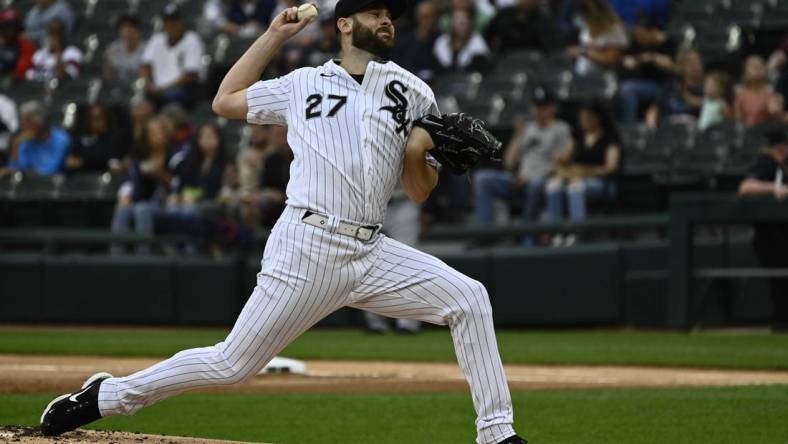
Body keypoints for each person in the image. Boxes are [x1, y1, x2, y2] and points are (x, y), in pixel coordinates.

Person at [39, 2, 526, 444]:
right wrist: (274, 37)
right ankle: (108, 397)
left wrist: (420, 150)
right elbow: (225, 101)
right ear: (344, 24)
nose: (386, 20)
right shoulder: (302, 83)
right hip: (307, 246)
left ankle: (496, 434)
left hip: (372, 251)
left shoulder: (415, 91)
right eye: (374, 12)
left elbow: (419, 191)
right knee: (232, 364)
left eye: (390, 14)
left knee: (469, 298)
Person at [474, 86, 571, 228]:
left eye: (543, 106)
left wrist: (531, 177)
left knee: (535, 184)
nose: (538, 110)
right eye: (536, 106)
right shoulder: (527, 128)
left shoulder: (561, 128)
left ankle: (526, 234)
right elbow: (509, 163)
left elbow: (561, 164)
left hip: (544, 181)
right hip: (520, 180)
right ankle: (484, 233)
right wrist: (517, 135)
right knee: (482, 179)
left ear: (552, 107)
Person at [545, 101, 621, 246]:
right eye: (581, 118)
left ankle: (577, 234)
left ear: (597, 118)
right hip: (579, 178)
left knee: (576, 187)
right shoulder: (579, 136)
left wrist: (585, 172)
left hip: (602, 182)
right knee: (553, 186)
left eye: (586, 118)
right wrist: (559, 160)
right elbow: (566, 157)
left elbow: (611, 167)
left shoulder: (610, 137)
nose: (583, 121)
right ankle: (557, 233)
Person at [738, 128, 788, 332]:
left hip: (780, 235)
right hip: (770, 237)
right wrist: (773, 189)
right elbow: (745, 187)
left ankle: (781, 324)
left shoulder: (782, 166)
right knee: (780, 283)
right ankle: (780, 325)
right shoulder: (766, 162)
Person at [110, 116, 175, 253]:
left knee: (142, 209)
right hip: (142, 200)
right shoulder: (141, 156)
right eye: (152, 133)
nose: (157, 136)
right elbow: (129, 179)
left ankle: (143, 256)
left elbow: (179, 182)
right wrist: (125, 195)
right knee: (122, 209)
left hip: (167, 203)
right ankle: (116, 255)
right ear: (146, 137)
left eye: (159, 131)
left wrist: (160, 174)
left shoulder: (174, 154)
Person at [140, 3, 205, 109]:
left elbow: (191, 75)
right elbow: (146, 66)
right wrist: (148, 84)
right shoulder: (157, 40)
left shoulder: (192, 40)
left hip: (182, 88)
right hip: (157, 87)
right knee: (141, 100)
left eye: (174, 21)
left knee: (172, 96)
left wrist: (162, 89)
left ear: (181, 21)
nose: (171, 25)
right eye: (167, 21)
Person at [616, 15, 675, 123]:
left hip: (663, 87)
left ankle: (629, 126)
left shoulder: (669, 43)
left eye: (642, 35)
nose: (639, 38)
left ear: (652, 31)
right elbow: (628, 58)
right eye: (637, 35)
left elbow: (672, 67)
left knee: (627, 89)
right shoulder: (638, 43)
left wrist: (650, 57)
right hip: (643, 83)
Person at [5, 100, 70, 176]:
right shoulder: (25, 141)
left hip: (51, 185)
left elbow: (50, 170)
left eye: (27, 122)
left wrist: (27, 173)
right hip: (29, 185)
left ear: (39, 122)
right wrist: (16, 146)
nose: (23, 126)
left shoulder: (61, 140)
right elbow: (15, 170)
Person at [567, 0, 627, 76]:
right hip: (582, 75)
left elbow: (612, 58)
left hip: (603, 79)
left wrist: (583, 52)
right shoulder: (588, 26)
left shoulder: (614, 28)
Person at [64, 104, 129, 173]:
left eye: (99, 119)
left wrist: (83, 161)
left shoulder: (115, 138)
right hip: (83, 178)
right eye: (93, 120)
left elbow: (106, 158)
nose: (96, 124)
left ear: (106, 119)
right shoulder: (81, 138)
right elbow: (71, 159)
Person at [390, 0, 440, 83]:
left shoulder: (441, 41)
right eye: (424, 17)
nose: (428, 21)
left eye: (431, 16)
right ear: (417, 18)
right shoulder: (403, 41)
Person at [484, 0, 555, 54]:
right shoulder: (504, 14)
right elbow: (488, 34)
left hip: (530, 63)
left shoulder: (544, 21)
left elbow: (549, 49)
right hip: (503, 58)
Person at [433, 7, 490, 73]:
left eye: (464, 23)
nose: (461, 28)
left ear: (469, 23)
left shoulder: (477, 41)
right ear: (452, 24)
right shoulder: (441, 42)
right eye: (458, 23)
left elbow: (483, 65)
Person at [734, 55, 784, 128]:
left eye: (761, 66)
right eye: (753, 66)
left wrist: (777, 112)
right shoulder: (741, 94)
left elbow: (778, 118)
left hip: (767, 133)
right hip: (748, 133)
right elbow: (738, 121)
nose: (757, 68)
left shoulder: (771, 92)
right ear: (745, 71)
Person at [103, 15, 145, 89]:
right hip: (116, 87)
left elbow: (144, 76)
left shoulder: (146, 49)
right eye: (123, 28)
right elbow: (108, 75)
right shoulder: (113, 48)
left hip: (137, 87)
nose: (126, 31)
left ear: (138, 31)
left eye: (130, 27)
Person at [0, 8, 36, 82]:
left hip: (14, 87)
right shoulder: (2, 44)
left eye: (13, 26)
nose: (9, 30)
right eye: (6, 26)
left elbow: (19, 74)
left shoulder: (26, 46)